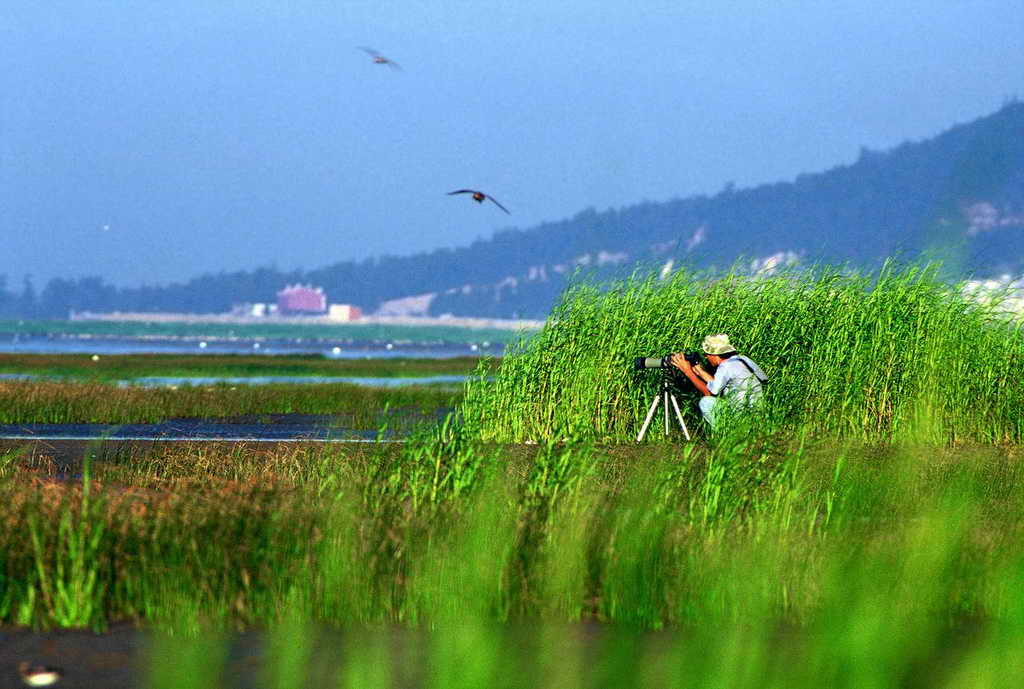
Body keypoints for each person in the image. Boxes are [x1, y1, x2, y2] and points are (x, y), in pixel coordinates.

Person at [670, 334, 767, 429]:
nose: (706, 358)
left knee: (706, 402)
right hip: (757, 413)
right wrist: (700, 372)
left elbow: (710, 393)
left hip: (740, 414)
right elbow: (764, 378)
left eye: (707, 355)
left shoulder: (724, 366)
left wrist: (688, 372)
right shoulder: (742, 359)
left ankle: (729, 433)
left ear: (714, 355)